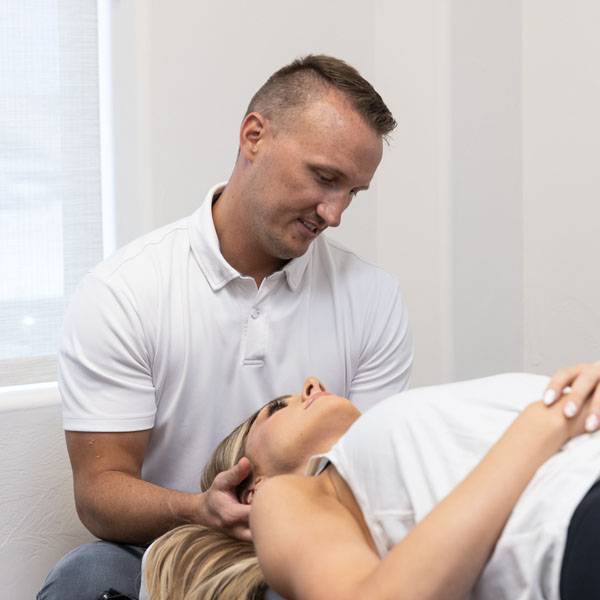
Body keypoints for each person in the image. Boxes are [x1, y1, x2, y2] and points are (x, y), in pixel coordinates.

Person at [38, 55, 413, 599]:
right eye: (325, 178)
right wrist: (199, 511)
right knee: (87, 576)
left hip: (306, 548)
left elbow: (373, 479)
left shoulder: (373, 298)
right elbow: (99, 493)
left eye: (352, 192)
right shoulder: (126, 291)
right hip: (171, 541)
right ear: (253, 136)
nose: (333, 213)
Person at [141, 362, 600, 600]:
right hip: (578, 520)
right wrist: (541, 427)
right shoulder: (287, 497)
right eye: (276, 409)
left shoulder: (379, 444)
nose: (311, 382)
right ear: (250, 488)